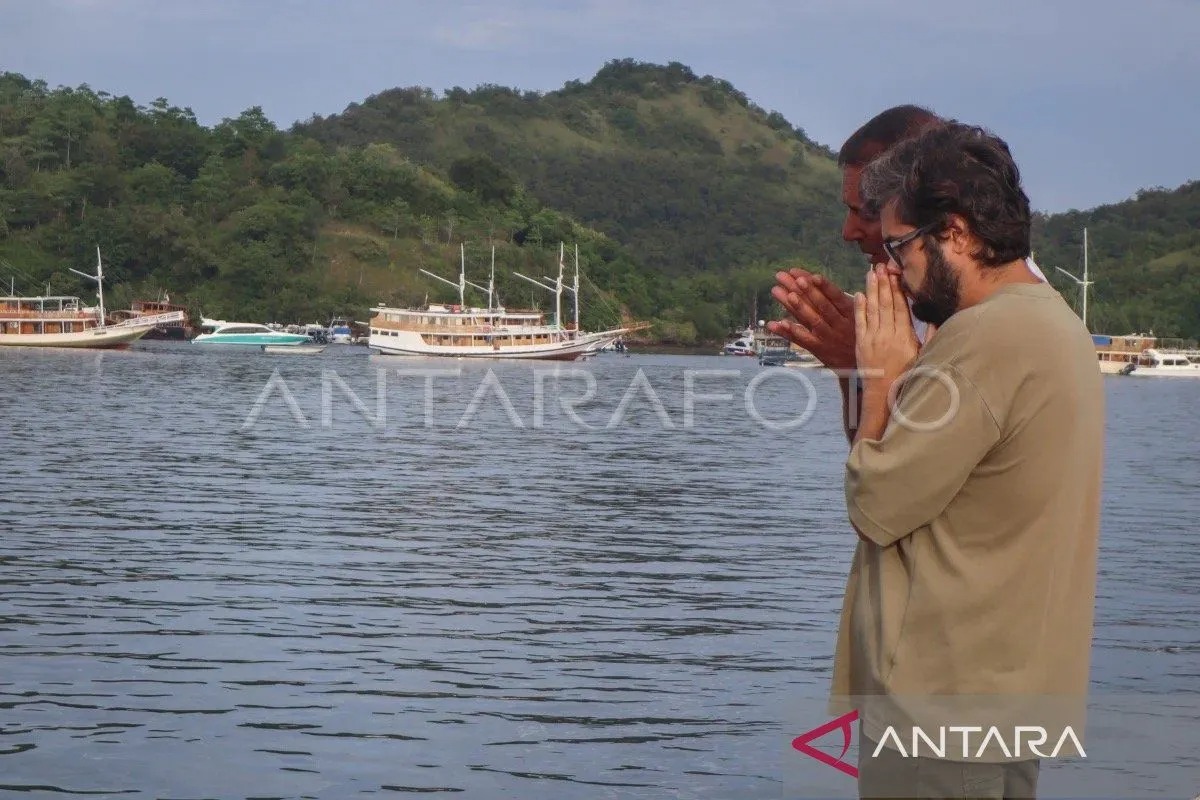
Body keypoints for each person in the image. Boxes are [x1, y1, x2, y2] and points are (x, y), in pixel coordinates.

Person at [835, 121, 1104, 799]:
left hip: (938, 705)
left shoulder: (983, 339)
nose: (893, 271)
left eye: (900, 247)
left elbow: (876, 506)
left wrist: (881, 382)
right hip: (1008, 693)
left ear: (953, 232)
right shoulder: (1056, 325)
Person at [765, 105, 1047, 440]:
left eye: (868, 213)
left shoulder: (999, 321)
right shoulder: (923, 297)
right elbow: (875, 465)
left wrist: (876, 369)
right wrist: (856, 366)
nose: (849, 232)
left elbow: (894, 481)